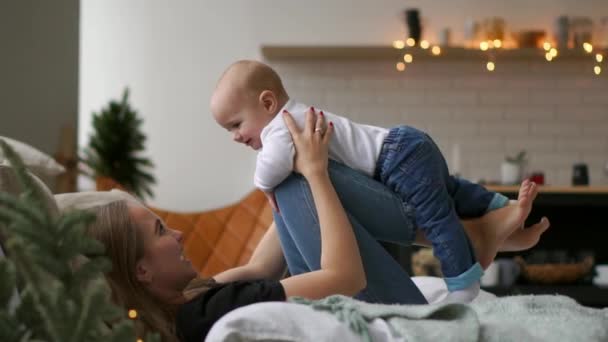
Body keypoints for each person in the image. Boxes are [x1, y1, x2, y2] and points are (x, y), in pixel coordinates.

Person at [85, 110, 548, 341]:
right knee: (296, 174)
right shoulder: (199, 316)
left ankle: (467, 235)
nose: (179, 235)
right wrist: (316, 174)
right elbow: (345, 280)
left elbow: (257, 268)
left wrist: (299, 172)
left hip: (364, 297)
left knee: (290, 175)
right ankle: (466, 235)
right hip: (394, 314)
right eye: (162, 233)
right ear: (139, 270)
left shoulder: (187, 302)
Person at [210, 59, 536, 303]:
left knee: (437, 218)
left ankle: (464, 282)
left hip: (397, 155)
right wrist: (196, 291)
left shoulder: (284, 129)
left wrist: (270, 183)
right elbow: (260, 271)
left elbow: (271, 167)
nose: (236, 137)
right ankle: (491, 212)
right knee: (450, 192)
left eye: (236, 125)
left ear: (267, 102)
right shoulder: (288, 130)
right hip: (399, 154)